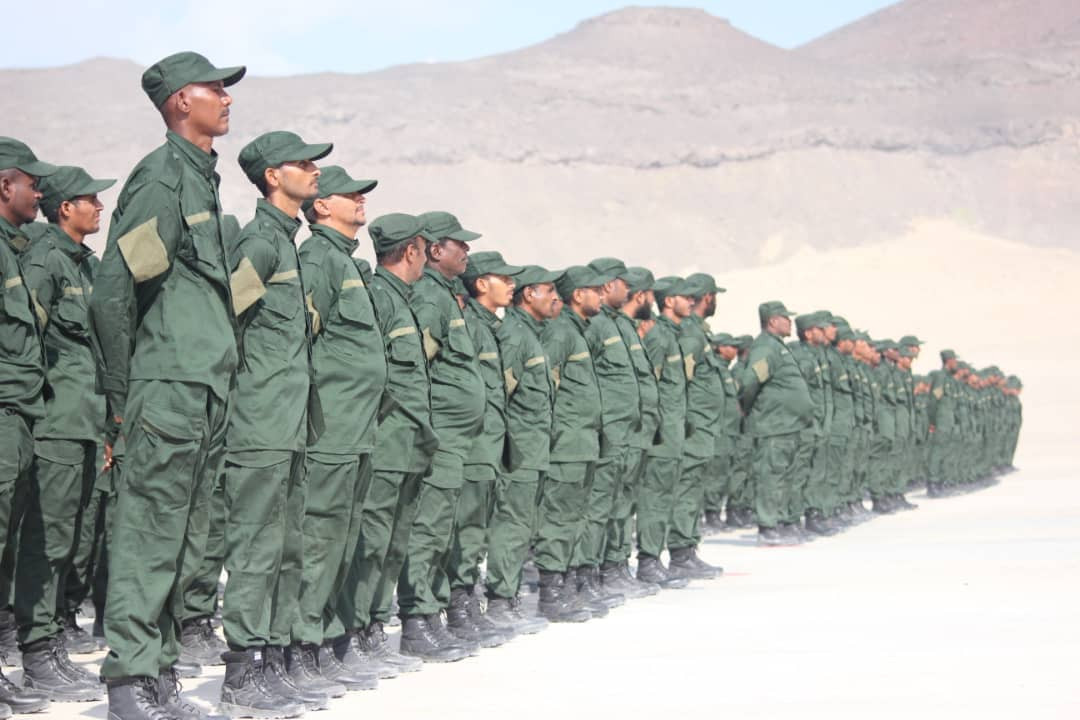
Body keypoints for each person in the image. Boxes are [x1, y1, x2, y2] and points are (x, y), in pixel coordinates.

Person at [88, 51, 246, 720]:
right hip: (166, 388)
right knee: (149, 535)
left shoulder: (199, 180)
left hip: (202, 389)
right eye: (215, 89)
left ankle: (158, 676)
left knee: (184, 541)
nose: (227, 98)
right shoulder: (160, 179)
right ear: (181, 101)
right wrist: (123, 399)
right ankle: (129, 683)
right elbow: (115, 293)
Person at [17, 166, 114, 702]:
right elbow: (28, 338)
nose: (98, 207)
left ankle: (53, 641)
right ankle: (36, 652)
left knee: (73, 541)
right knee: (48, 540)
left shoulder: (87, 265)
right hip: (55, 421)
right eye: (88, 200)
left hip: (85, 422)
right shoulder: (45, 260)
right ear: (63, 208)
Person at [293, 166, 384, 690]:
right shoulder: (318, 260)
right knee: (319, 540)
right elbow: (302, 342)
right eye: (351, 195)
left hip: (357, 428)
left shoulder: (346, 262)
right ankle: (301, 645)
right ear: (323, 206)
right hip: (329, 428)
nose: (360, 200)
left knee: (343, 540)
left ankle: (326, 639)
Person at [339, 214, 439, 668]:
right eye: (423, 249)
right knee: (370, 543)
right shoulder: (379, 297)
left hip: (411, 444)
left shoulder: (405, 301)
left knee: (394, 544)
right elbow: (367, 373)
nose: (426, 258)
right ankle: (352, 632)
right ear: (410, 251)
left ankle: (374, 627)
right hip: (385, 442)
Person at [397, 211, 494, 659]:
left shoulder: (446, 297)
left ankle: (435, 612)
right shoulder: (429, 298)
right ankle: (418, 619)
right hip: (441, 434)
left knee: (445, 528)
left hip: (458, 436)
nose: (467, 251)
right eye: (460, 244)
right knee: (429, 528)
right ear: (436, 250)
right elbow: (419, 364)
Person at [449, 252, 547, 635]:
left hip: (497, 443)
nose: (511, 284)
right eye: (502, 278)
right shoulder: (476, 327)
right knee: (472, 527)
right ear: (480, 284)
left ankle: (473, 602)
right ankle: (465, 603)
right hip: (480, 444)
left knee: (481, 526)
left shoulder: (495, 328)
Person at [0, 137, 57, 718]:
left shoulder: (11, 251)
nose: (39, 193)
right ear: (4, 186)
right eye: (32, 184)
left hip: (19, 416)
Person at [487, 267, 567, 621]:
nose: (555, 297)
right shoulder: (516, 336)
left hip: (534, 448)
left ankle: (509, 596)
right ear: (530, 295)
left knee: (523, 525)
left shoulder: (532, 335)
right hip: (517, 450)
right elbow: (500, 394)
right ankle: (500, 600)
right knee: (512, 524)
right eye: (549, 290)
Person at [537, 266, 609, 620]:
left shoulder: (578, 331)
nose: (602, 295)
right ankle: (551, 592)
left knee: (576, 517)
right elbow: (544, 385)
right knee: (559, 518)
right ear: (578, 295)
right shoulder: (561, 332)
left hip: (583, 441)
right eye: (596, 289)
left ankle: (568, 583)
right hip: (566, 442)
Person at [590, 264, 658, 598]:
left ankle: (616, 564)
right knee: (603, 503)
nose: (628, 291)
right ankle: (598, 569)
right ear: (607, 285)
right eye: (622, 283)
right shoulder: (597, 325)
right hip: (611, 431)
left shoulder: (622, 326)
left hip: (632, 431)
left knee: (622, 501)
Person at [737, 301, 813, 546]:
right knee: (770, 476)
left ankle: (779, 522)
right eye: (785, 318)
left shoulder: (777, 346)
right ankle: (767, 526)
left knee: (783, 476)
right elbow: (750, 382)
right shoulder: (766, 348)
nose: (790, 322)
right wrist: (748, 408)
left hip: (787, 424)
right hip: (773, 424)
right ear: (772, 321)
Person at [634, 277, 692, 586]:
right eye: (685, 296)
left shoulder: (671, 335)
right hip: (661, 432)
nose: (691, 301)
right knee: (654, 496)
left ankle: (658, 557)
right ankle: (648, 561)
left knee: (665, 495)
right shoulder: (658, 336)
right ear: (669, 301)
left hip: (672, 430)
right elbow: (648, 383)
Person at [668, 273, 724, 576]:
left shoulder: (698, 331)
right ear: (707, 297)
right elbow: (680, 380)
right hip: (692, 426)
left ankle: (688, 548)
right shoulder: (691, 334)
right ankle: (681, 553)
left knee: (692, 488)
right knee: (686, 488)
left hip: (702, 426)